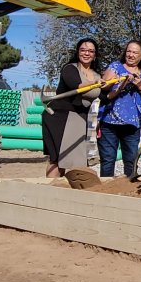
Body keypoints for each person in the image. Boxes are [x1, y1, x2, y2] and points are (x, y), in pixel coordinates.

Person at [41, 38, 102, 178]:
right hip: (59, 116)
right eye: (83, 50)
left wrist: (122, 82)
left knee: (72, 159)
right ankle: (51, 190)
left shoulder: (97, 75)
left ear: (95, 55)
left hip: (79, 119)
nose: (86, 53)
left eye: (90, 51)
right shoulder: (70, 69)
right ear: (77, 52)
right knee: (57, 158)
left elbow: (106, 97)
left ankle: (62, 190)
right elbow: (77, 86)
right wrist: (95, 83)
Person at [98, 40, 141, 178]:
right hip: (110, 121)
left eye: (135, 52)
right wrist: (119, 81)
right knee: (108, 160)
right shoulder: (115, 67)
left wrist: (140, 85)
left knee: (130, 160)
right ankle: (105, 191)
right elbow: (103, 87)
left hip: (132, 124)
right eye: (129, 51)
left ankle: (129, 190)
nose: (131, 55)